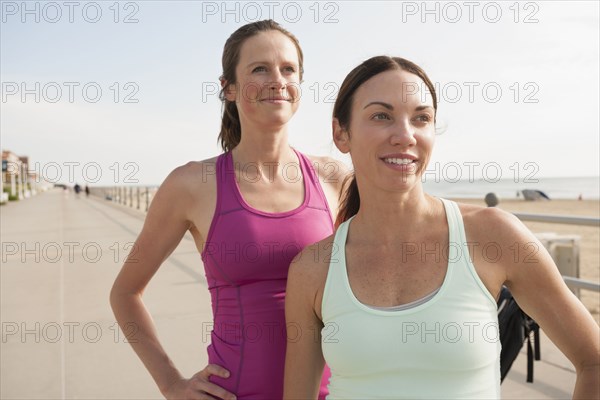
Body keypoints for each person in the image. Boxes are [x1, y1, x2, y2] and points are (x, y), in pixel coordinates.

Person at [283, 56, 600, 399]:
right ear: (341, 133)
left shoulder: (493, 236)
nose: (405, 135)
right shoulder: (312, 269)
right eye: (381, 116)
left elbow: (593, 361)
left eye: (421, 118)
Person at [110, 20, 346, 399]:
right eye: (259, 69)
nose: (277, 80)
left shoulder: (336, 178)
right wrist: (170, 383)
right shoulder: (191, 184)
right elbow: (125, 293)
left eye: (288, 69)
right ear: (229, 88)